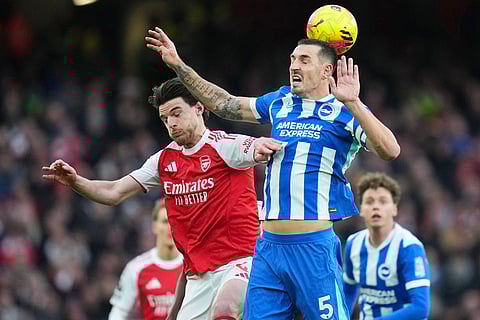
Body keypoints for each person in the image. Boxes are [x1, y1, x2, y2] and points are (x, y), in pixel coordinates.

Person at [145, 27, 401, 319]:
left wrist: (354, 103)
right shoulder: (280, 102)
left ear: (326, 70)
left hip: (312, 248)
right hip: (268, 249)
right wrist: (179, 65)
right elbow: (225, 104)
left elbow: (390, 150)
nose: (294, 65)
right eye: (293, 59)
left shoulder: (344, 112)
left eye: (304, 60)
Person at [42, 78, 282, 320]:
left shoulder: (225, 146)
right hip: (198, 276)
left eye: (177, 114)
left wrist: (262, 146)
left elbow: (259, 148)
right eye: (166, 119)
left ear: (199, 107)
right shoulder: (163, 161)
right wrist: (76, 181)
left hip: (240, 262)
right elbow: (114, 192)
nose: (172, 124)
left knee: (224, 310)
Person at [342, 172, 430, 320]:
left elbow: (420, 308)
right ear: (361, 209)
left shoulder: (409, 247)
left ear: (395, 209)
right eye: (369, 201)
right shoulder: (353, 243)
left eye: (383, 201)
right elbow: (348, 291)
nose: (376, 207)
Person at [108, 198, 183, 320]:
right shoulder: (136, 268)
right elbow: (119, 311)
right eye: (165, 221)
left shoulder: (193, 267)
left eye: (174, 221)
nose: (170, 227)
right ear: (155, 227)